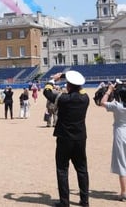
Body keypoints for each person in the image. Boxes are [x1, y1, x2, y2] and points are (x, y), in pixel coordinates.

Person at [43, 70, 90, 207]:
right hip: (80, 138)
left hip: (64, 138)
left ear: (69, 85)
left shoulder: (63, 99)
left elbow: (47, 92)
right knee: (82, 169)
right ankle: (85, 200)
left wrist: (54, 79)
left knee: (62, 170)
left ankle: (65, 202)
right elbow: (80, 89)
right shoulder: (85, 98)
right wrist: (68, 78)